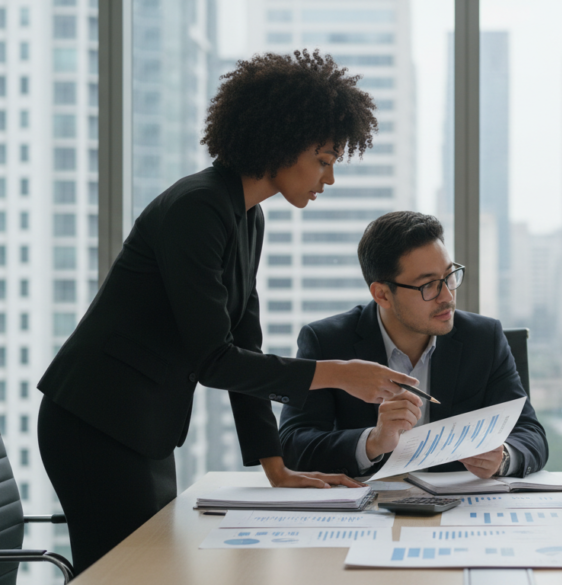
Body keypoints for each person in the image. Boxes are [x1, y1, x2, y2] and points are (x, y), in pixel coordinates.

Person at [35, 50, 419, 573]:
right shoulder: (198, 207)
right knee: (126, 575)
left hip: (140, 427)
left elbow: (244, 346)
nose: (328, 179)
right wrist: (338, 376)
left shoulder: (246, 217)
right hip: (94, 424)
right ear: (283, 141)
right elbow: (214, 360)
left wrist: (275, 467)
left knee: (149, 571)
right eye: (324, 159)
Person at [279, 211, 548, 479]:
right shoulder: (326, 342)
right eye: (428, 285)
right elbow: (293, 444)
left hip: (458, 509)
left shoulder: (484, 338)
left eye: (449, 276)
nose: (447, 296)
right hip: (370, 508)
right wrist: (371, 442)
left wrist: (503, 458)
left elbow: (530, 433)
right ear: (382, 294)